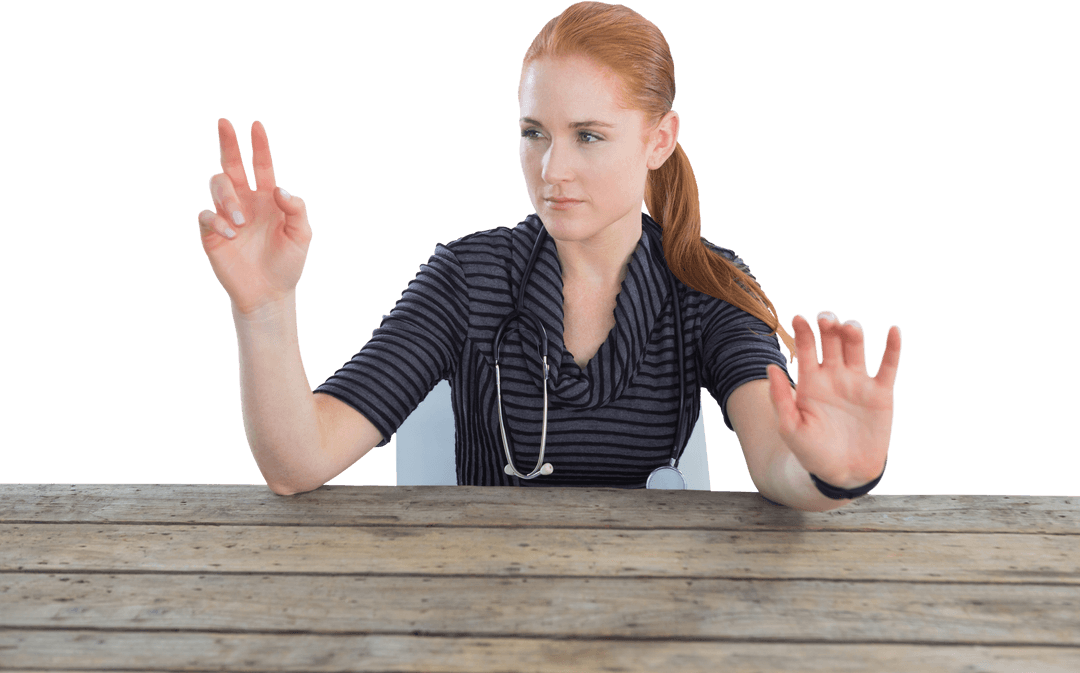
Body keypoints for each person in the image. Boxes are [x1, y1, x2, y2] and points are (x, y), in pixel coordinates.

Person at [197, 2, 901, 507]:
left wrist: (832, 474)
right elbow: (299, 462)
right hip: (489, 611)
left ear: (658, 141)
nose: (551, 169)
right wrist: (264, 306)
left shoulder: (707, 285)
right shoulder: (465, 278)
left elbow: (776, 464)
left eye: (588, 136)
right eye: (534, 133)